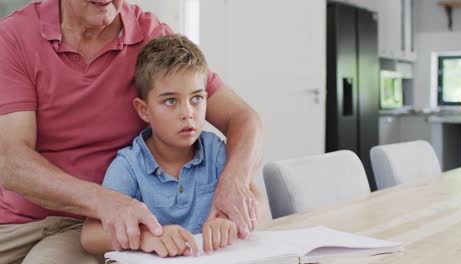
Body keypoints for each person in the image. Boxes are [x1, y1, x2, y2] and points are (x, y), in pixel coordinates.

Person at [0, 0, 263, 263]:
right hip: (13, 221)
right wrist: (105, 201)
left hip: (92, 226)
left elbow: (244, 118)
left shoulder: (151, 38)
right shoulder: (16, 36)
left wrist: (234, 183)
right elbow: (12, 161)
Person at [81, 34, 266, 257]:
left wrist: (231, 221)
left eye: (196, 98)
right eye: (170, 101)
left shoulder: (216, 151)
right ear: (144, 110)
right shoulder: (128, 166)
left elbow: (259, 204)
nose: (187, 113)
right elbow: (90, 235)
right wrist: (147, 237)